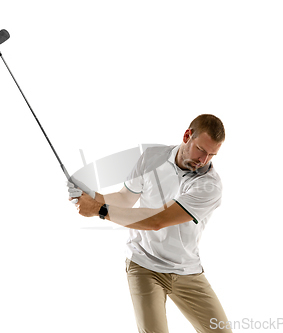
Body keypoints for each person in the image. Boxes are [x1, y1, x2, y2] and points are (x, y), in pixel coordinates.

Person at [69, 114, 232, 333]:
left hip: (186, 270)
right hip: (144, 264)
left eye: (212, 155)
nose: (204, 160)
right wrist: (93, 195)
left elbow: (158, 221)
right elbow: (126, 198)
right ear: (187, 136)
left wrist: (98, 209)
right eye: (201, 150)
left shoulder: (210, 185)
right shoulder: (151, 157)